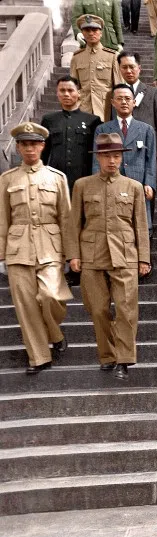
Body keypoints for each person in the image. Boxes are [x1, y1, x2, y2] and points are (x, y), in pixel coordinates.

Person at [66, 133, 151, 380]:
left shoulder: (133, 187)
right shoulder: (83, 185)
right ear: (98, 158)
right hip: (91, 256)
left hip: (125, 255)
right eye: (106, 156)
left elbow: (140, 226)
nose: (111, 161)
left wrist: (143, 258)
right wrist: (73, 254)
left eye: (115, 156)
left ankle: (124, 359)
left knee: (126, 310)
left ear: (122, 158)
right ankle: (107, 355)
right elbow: (74, 223)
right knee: (98, 310)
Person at [0, 123, 72, 375]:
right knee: (26, 306)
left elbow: (66, 218)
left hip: (50, 247)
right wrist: (1, 254)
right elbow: (2, 218)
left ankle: (54, 332)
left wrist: (71, 254)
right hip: (17, 249)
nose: (29, 148)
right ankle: (39, 357)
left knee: (52, 296)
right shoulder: (7, 180)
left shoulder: (56, 178)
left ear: (42, 146)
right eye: (24, 144)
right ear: (18, 148)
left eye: (34, 144)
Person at [93, 84, 157, 241]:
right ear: (113, 102)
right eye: (119, 99)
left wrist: (149, 183)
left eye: (128, 99)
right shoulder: (103, 130)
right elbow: (96, 159)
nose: (124, 102)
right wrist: (96, 183)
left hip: (138, 185)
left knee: (140, 230)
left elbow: (151, 160)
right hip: (110, 185)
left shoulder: (146, 129)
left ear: (134, 102)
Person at [40, 77, 101, 194]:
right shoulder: (49, 120)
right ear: (57, 93)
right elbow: (43, 151)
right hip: (55, 178)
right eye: (62, 91)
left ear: (79, 93)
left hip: (83, 178)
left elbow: (96, 153)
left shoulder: (92, 121)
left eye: (70, 90)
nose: (66, 94)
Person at [117, 52, 157, 167]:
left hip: (147, 146)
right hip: (122, 147)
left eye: (132, 67)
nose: (129, 71)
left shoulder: (154, 93)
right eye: (124, 67)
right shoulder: (113, 94)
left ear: (139, 68)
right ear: (119, 69)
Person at [70, 15, 123, 122]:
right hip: (84, 109)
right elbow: (73, 88)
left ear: (101, 33)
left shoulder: (112, 56)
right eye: (87, 30)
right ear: (82, 33)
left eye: (94, 30)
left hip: (106, 110)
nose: (91, 33)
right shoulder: (76, 58)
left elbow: (119, 87)